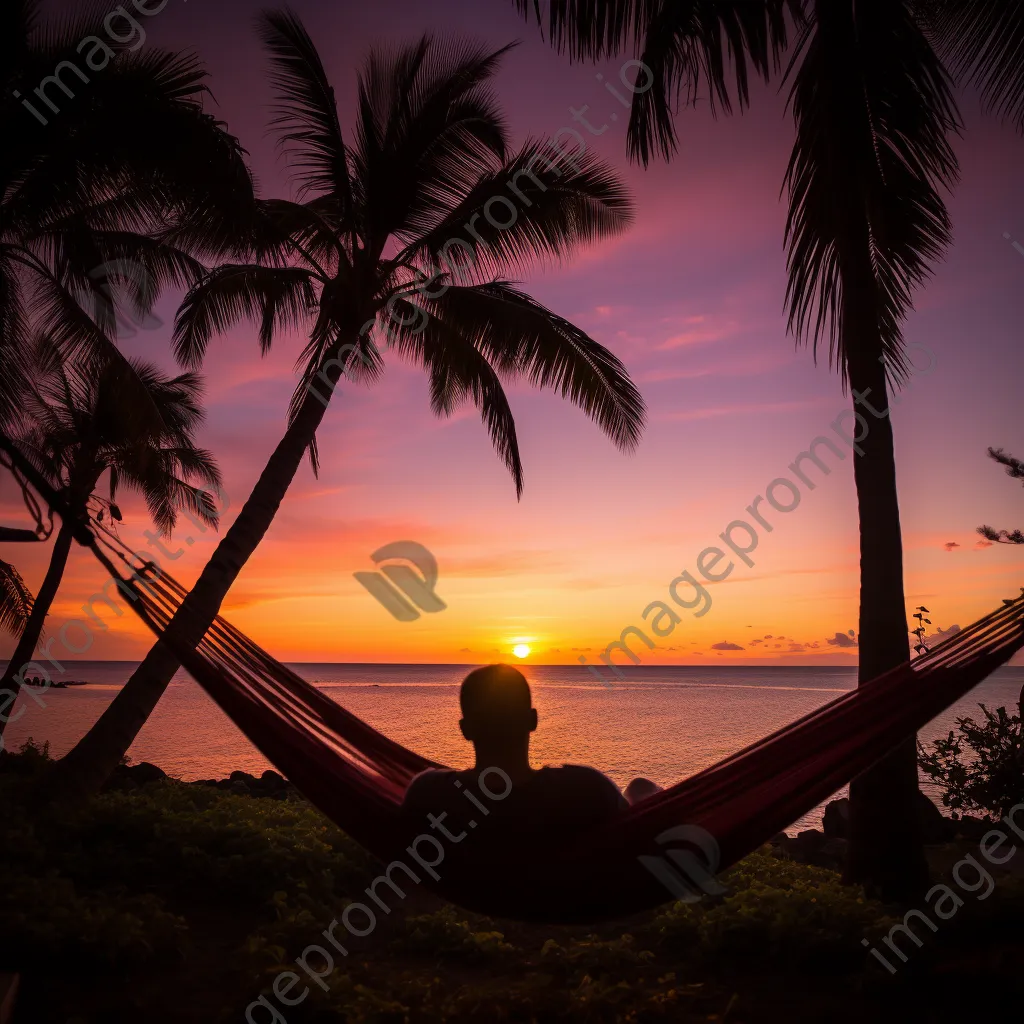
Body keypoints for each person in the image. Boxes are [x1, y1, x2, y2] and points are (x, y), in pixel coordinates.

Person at [400, 664, 660, 845]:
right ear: (533, 720)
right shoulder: (586, 791)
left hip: (481, 892)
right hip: (566, 899)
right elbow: (640, 831)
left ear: (465, 730)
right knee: (640, 786)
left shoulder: (428, 793)